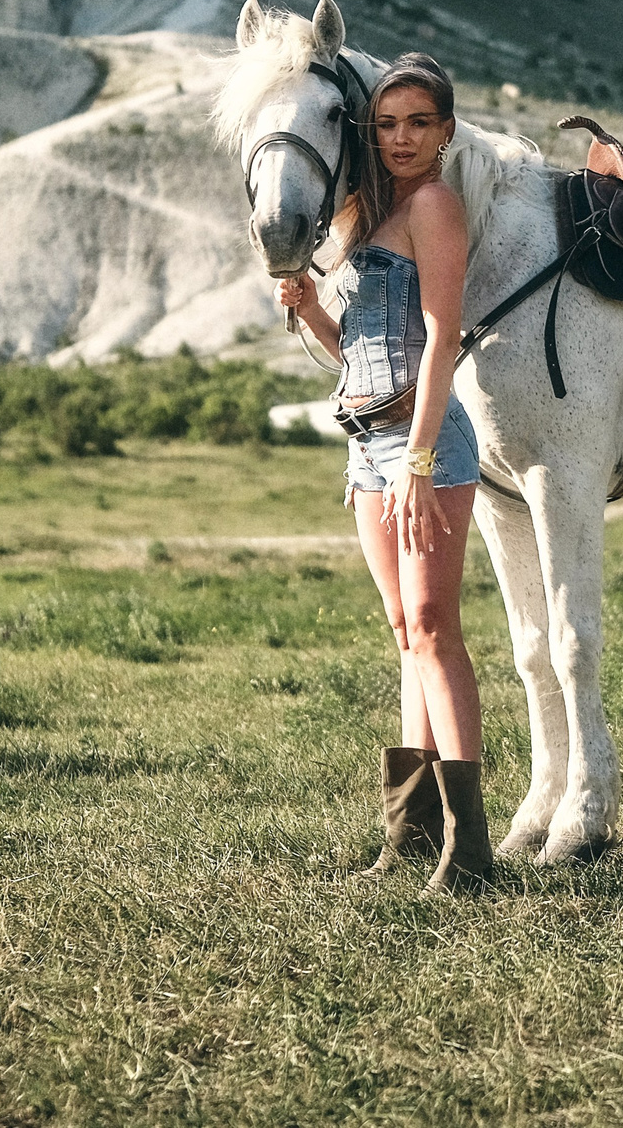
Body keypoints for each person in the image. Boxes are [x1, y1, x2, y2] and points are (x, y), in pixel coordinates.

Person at [274, 52, 493, 893]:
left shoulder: (435, 206)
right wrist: (312, 313)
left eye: (419, 123)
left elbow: (442, 340)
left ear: (444, 132)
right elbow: (359, 356)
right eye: (388, 123)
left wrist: (421, 461)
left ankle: (469, 850)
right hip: (366, 445)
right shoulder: (367, 214)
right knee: (406, 633)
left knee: (435, 627)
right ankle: (408, 832)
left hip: (422, 444)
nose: (401, 138)